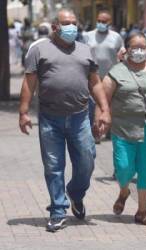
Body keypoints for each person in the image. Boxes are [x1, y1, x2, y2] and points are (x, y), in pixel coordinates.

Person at [19, 9, 111, 232]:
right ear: (54, 27)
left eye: (73, 23)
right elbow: (29, 82)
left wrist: (104, 108)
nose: (71, 27)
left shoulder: (85, 50)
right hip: (50, 119)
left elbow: (95, 83)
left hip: (80, 117)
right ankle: (58, 210)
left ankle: (76, 193)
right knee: (53, 166)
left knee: (87, 161)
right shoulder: (38, 50)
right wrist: (23, 112)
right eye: (65, 23)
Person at [100, 32, 146, 225]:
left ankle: (142, 212)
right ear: (126, 49)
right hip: (124, 129)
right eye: (135, 47)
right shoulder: (116, 71)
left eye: (143, 47)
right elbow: (104, 97)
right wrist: (102, 117)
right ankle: (124, 191)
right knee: (123, 168)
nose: (139, 51)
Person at [84, 10, 125, 141]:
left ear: (109, 22)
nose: (101, 23)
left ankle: (107, 130)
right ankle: (94, 130)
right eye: (99, 21)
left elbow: (122, 54)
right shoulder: (87, 36)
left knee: (108, 104)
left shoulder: (116, 37)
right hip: (92, 75)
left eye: (104, 21)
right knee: (93, 103)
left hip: (110, 76)